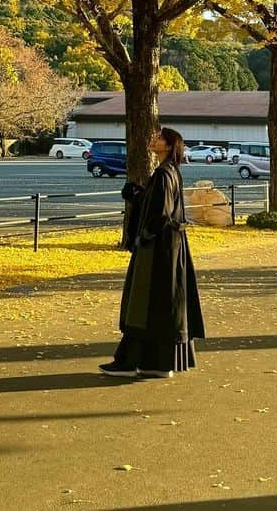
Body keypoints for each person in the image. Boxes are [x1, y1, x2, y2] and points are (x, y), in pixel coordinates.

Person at [99, 127, 205, 380]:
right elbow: (160, 205)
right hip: (169, 250)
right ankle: (155, 362)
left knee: (144, 304)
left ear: (168, 146)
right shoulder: (170, 173)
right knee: (160, 305)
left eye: (158, 138)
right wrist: (139, 196)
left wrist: (143, 236)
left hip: (158, 251)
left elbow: (160, 214)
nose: (153, 140)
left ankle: (132, 362)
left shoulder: (163, 174)